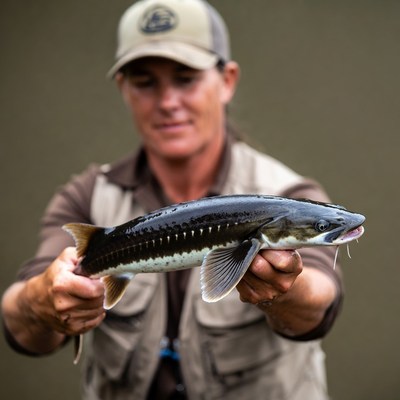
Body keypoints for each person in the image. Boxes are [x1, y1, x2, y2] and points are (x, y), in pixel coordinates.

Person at [1, 0, 343, 399]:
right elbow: (20, 325)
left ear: (227, 80)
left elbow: (319, 302)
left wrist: (288, 290)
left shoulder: (289, 192)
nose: (167, 103)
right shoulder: (87, 197)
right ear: (123, 89)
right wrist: (41, 300)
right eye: (145, 82)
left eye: (186, 78)